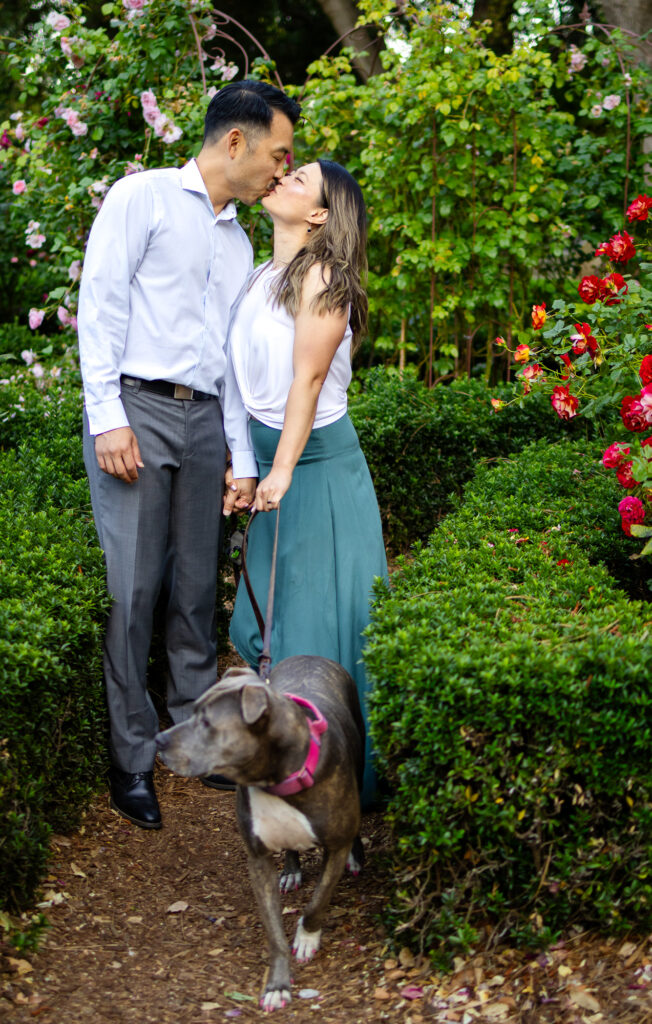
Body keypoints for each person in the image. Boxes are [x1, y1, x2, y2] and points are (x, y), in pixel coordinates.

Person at [78, 81, 301, 830]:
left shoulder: (239, 239)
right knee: (133, 593)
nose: (281, 171)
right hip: (136, 411)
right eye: (280, 154)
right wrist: (107, 417)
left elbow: (232, 364)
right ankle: (133, 758)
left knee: (196, 593)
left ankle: (196, 737)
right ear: (234, 142)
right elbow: (101, 306)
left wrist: (241, 455)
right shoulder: (140, 197)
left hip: (206, 421)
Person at [227, 159, 388, 808]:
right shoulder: (260, 276)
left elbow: (308, 382)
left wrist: (284, 469)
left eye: (300, 181)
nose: (283, 179)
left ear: (319, 215)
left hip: (317, 470)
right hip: (275, 464)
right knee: (266, 626)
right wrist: (244, 465)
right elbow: (240, 386)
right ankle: (287, 779)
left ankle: (336, 798)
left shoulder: (325, 278)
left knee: (320, 634)